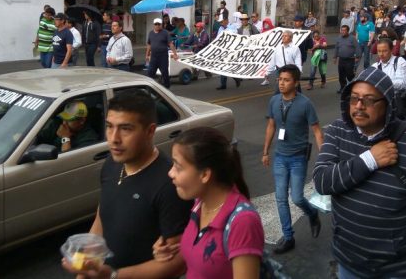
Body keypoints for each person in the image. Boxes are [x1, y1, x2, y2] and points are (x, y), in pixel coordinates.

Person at [314, 67, 406, 278]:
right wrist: (370, 159)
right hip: (347, 260)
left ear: (387, 104)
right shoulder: (338, 131)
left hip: (395, 268)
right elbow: (322, 181)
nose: (359, 106)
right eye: (354, 99)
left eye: (369, 100)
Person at [62, 90, 192, 279]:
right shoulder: (111, 164)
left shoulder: (170, 184)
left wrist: (112, 275)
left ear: (150, 131)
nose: (114, 138)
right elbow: (102, 218)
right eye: (109, 126)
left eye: (125, 129)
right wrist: (85, 270)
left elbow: (176, 264)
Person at [154, 127, 265, 278]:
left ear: (205, 174)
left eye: (178, 167)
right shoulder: (200, 204)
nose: (170, 173)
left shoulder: (243, 222)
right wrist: (169, 252)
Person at [261, 64, 323, 254]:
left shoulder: (305, 104)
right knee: (281, 199)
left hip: (298, 159)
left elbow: (317, 132)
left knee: (296, 197)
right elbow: (271, 126)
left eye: (286, 80)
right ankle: (288, 237)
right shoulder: (274, 101)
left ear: (296, 83)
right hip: (280, 157)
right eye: (280, 79)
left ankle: (312, 214)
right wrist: (265, 152)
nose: (281, 83)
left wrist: (325, 158)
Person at [147, 18, 179, 88]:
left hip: (163, 57)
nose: (157, 25)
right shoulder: (151, 33)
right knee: (150, 74)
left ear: (161, 25)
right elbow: (149, 44)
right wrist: (147, 55)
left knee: (165, 74)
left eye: (159, 24)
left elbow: (170, 44)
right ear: (154, 25)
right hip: (154, 57)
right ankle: (149, 89)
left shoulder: (165, 33)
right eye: (156, 24)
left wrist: (175, 54)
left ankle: (167, 88)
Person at [334, 25, 358, 93]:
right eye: (342, 30)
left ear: (348, 31)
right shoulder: (339, 38)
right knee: (341, 75)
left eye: (344, 30)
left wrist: (357, 56)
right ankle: (342, 88)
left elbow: (357, 47)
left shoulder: (352, 38)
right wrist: (335, 57)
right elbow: (336, 48)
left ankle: (352, 87)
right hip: (341, 60)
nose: (343, 32)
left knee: (349, 74)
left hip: (350, 60)